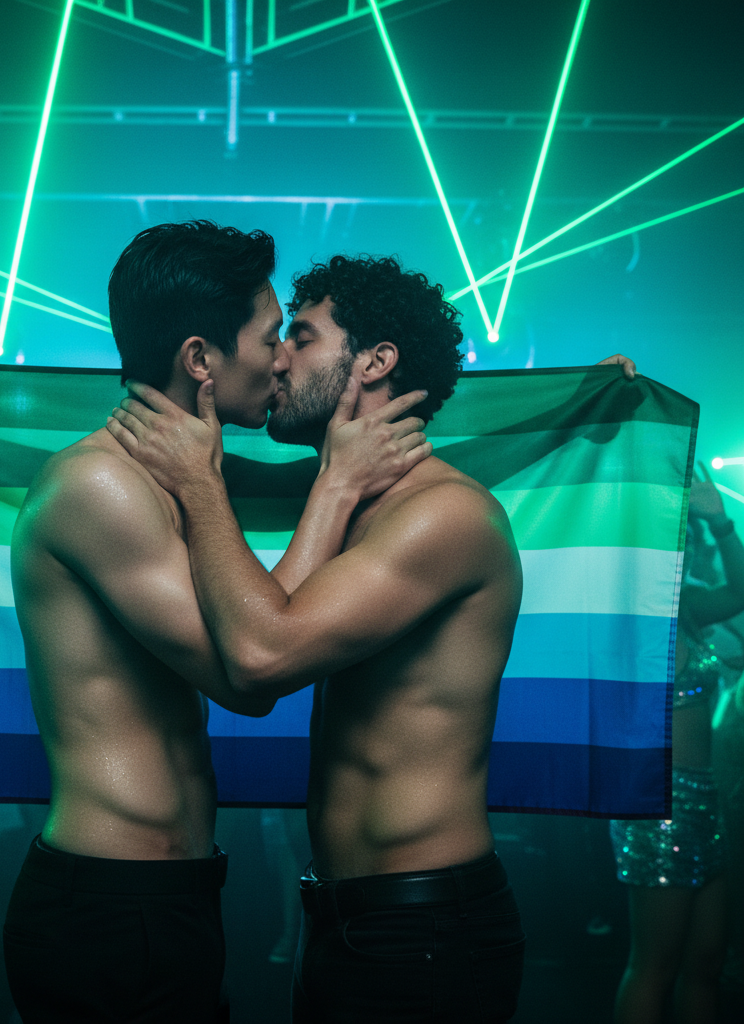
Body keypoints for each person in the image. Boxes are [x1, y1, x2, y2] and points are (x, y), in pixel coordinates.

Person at [108, 252, 637, 1023]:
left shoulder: (442, 516)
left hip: (422, 929)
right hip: (350, 917)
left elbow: (261, 655)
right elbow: (157, 428)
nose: (276, 358)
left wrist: (199, 481)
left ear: (377, 362)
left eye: (302, 336)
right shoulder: (346, 504)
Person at [4, 224, 431, 1023]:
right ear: (201, 360)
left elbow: (384, 437)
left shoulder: (179, 475)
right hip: (106, 903)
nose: (280, 360)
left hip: (167, 894)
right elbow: (251, 671)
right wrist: (334, 488)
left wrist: (598, 400)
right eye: (273, 338)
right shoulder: (100, 486)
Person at [610, 468, 744, 1024]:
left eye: (687, 532)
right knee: (655, 967)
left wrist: (719, 522)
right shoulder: (630, 616)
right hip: (656, 809)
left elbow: (741, 592)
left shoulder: (687, 605)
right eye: (679, 531)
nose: (684, 541)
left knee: (707, 962)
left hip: (708, 801)